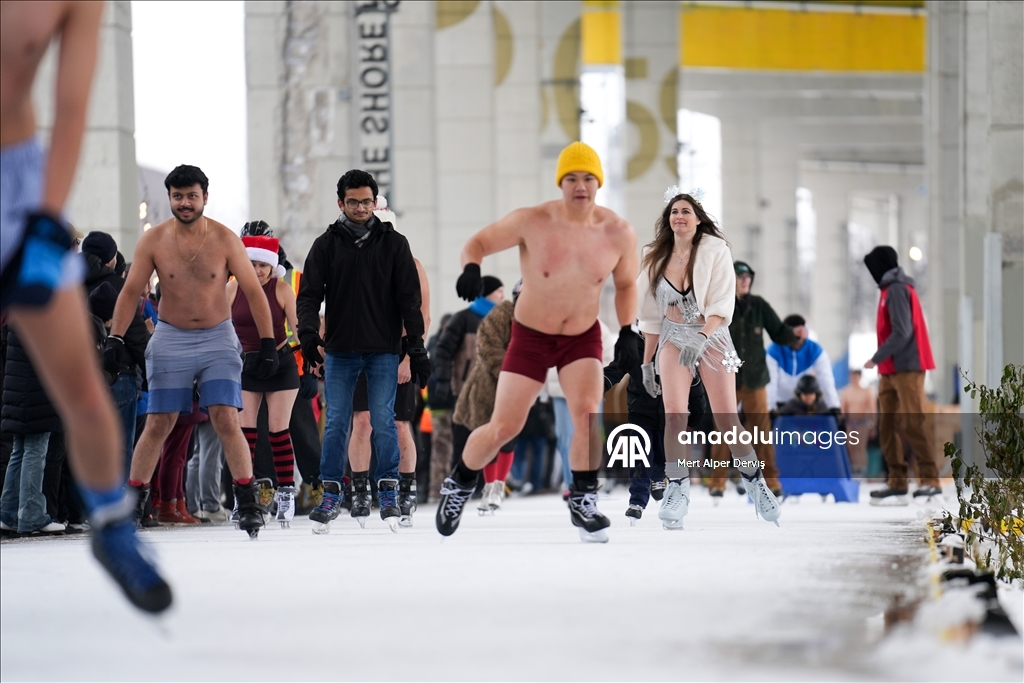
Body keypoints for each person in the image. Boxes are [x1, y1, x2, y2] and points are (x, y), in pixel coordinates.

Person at [0, 0, 171, 612]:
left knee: (84, 393)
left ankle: (111, 525)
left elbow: (71, 110)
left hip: (15, 190)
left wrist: (46, 219)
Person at [434, 141, 639, 543]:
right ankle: (459, 484)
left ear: (598, 182)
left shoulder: (618, 232)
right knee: (503, 426)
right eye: (571, 178)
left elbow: (627, 284)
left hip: (581, 337)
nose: (580, 186)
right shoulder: (533, 221)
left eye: (588, 178)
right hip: (531, 335)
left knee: (586, 415)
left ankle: (583, 498)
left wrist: (629, 330)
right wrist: (471, 267)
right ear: (560, 183)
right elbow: (477, 244)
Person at [107, 164, 279, 538]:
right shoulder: (154, 240)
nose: (185, 203)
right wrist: (115, 339)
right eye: (178, 196)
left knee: (225, 418)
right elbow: (130, 291)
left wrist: (268, 343)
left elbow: (254, 291)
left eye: (192, 196)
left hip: (218, 338)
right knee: (158, 422)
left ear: (205, 197)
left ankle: (247, 502)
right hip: (171, 337)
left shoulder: (224, 238)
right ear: (170, 197)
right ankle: (133, 505)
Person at [637, 189, 781, 530]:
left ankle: (755, 481)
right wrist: (647, 363)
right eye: (674, 211)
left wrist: (701, 338)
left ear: (698, 219)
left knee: (728, 420)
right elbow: (651, 316)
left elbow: (721, 305)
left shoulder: (716, 250)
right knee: (675, 416)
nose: (679, 216)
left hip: (713, 336)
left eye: (686, 211)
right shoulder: (653, 255)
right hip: (673, 337)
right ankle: (677, 489)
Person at [296, 170, 431, 534]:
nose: (360, 208)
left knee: (384, 420)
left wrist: (415, 348)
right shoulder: (326, 245)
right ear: (340, 203)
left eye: (366, 201)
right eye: (353, 202)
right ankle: (330, 494)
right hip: (340, 350)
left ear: (375, 202)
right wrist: (308, 336)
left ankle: (388, 491)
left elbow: (410, 300)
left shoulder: (394, 244)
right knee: (338, 422)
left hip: (383, 349)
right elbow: (309, 296)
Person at [349, 249, 431, 528]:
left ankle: (406, 490)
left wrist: (409, 358)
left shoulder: (412, 266)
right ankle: (361, 491)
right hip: (361, 351)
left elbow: (423, 317)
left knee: (398, 424)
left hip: (399, 351)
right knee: (362, 421)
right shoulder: (355, 262)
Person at [706, 260, 798, 499]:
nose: (745, 280)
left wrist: (795, 336)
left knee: (762, 433)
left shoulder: (759, 306)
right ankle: (717, 482)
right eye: (739, 276)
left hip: (756, 379)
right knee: (723, 430)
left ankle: (771, 481)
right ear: (730, 279)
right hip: (726, 378)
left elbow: (779, 332)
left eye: (748, 276)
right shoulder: (720, 305)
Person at [228, 233, 301, 528]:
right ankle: (244, 495)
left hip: (280, 363)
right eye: (252, 264)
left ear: (272, 266)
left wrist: (312, 359)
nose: (257, 271)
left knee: (277, 431)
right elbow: (220, 326)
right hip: (247, 364)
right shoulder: (232, 288)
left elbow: (297, 326)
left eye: (263, 265)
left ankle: (286, 493)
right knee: (245, 433)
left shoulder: (281, 289)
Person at [863, 246, 941, 504]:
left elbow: (902, 331)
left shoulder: (897, 289)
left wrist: (876, 357)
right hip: (890, 370)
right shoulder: (887, 290)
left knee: (912, 422)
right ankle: (897, 480)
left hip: (907, 367)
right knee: (887, 425)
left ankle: (930, 480)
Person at [82, 231, 149, 474]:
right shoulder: (120, 287)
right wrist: (151, 373)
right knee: (121, 451)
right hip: (120, 374)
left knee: (86, 450)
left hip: (80, 376)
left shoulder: (68, 284)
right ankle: (118, 498)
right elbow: (137, 336)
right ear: (110, 259)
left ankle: (87, 499)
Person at [766, 314, 841, 414]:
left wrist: (834, 407)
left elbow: (826, 380)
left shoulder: (815, 350)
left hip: (804, 404)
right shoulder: (773, 351)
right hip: (779, 402)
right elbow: (770, 382)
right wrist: (770, 408)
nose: (797, 340)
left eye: (801, 335)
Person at [840, 369, 876, 476]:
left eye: (856, 376)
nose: (854, 379)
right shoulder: (846, 391)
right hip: (850, 423)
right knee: (850, 446)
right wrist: (841, 424)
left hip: (863, 423)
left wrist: (873, 425)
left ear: (860, 377)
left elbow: (873, 409)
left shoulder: (867, 391)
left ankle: (862, 468)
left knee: (860, 446)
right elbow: (843, 409)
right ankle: (852, 468)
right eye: (852, 376)